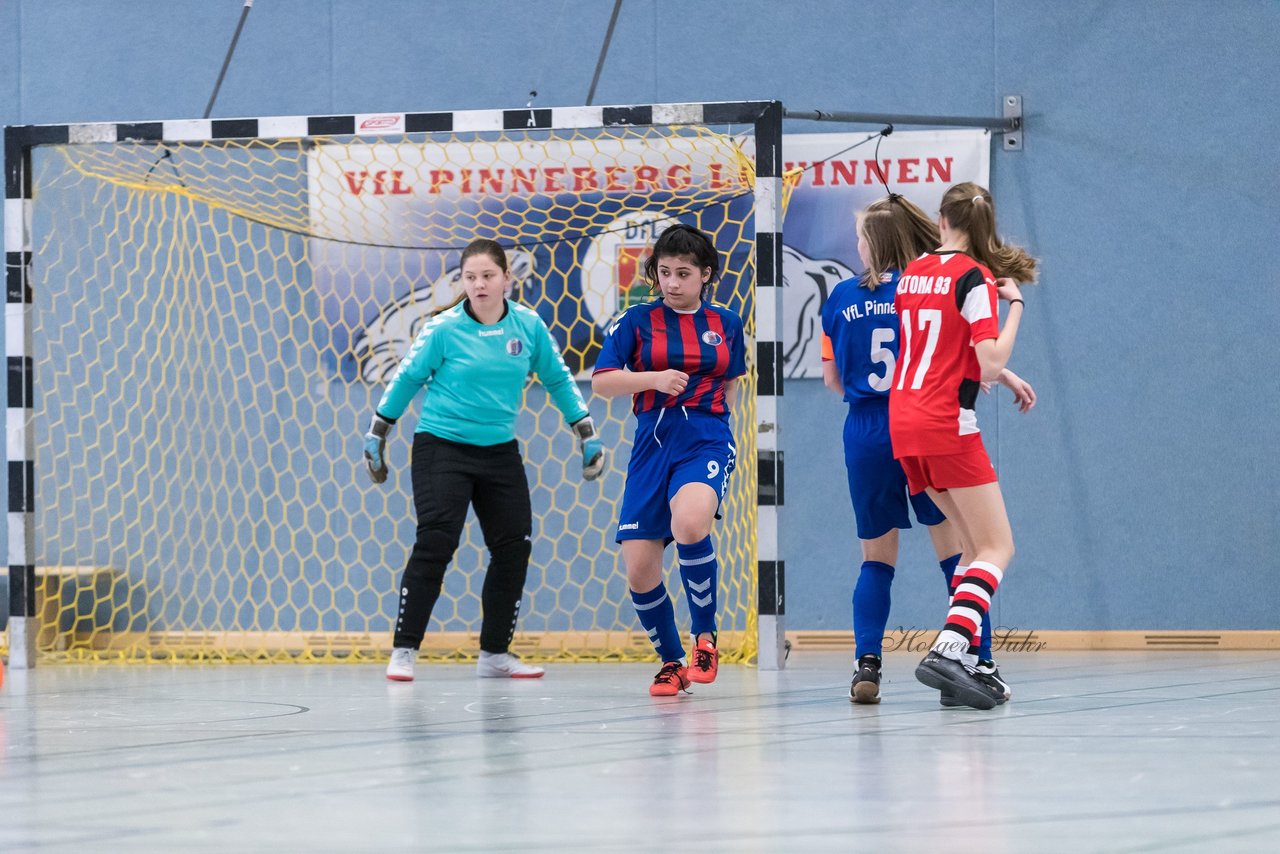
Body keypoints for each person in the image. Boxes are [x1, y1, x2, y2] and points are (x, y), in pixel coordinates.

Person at [821, 194, 1035, 705]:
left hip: (880, 425)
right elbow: (959, 352)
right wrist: (1004, 352)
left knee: (876, 558)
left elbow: (832, 379)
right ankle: (967, 655)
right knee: (973, 549)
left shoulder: (852, 295)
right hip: (938, 419)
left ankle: (866, 663)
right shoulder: (951, 280)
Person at [362, 238, 605, 682]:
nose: (479, 284)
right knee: (436, 541)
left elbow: (558, 378)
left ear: (507, 280)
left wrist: (585, 431)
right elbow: (407, 377)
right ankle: (404, 651)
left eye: (488, 276)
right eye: (470, 277)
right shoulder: (443, 328)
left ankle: (495, 653)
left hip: (499, 451)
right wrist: (379, 430)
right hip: (442, 447)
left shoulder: (528, 327)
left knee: (514, 546)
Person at [888, 182, 1037, 710]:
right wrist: (1014, 304)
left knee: (973, 549)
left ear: (942, 219)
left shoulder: (913, 273)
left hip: (903, 423)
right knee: (1000, 547)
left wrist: (1003, 374)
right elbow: (988, 359)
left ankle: (972, 666)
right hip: (946, 422)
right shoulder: (974, 278)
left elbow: (940, 348)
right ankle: (949, 649)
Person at [591, 223, 746, 697]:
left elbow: (733, 383)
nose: (673, 283)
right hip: (651, 447)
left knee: (692, 522)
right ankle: (672, 662)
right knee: (639, 569)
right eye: (664, 273)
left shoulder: (727, 323)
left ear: (706, 276)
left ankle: (706, 638)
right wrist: (653, 380)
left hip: (704, 441)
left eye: (683, 273)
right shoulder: (635, 321)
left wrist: (715, 427)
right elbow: (602, 382)